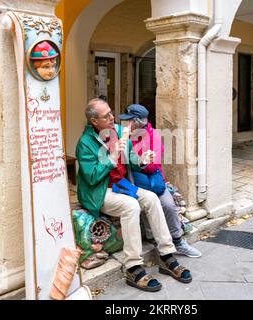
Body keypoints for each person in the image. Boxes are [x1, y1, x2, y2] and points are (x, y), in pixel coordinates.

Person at [76, 98, 192, 292]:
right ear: (94, 121)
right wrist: (111, 157)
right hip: (101, 190)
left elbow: (132, 160)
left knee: (152, 199)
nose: (113, 117)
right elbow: (92, 177)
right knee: (132, 206)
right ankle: (133, 266)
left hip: (122, 185)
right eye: (106, 116)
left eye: (111, 112)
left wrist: (143, 160)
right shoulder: (85, 143)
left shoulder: (120, 132)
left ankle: (166, 254)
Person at [118, 104, 202, 258]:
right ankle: (154, 239)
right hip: (131, 182)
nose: (126, 124)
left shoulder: (153, 136)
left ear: (137, 122)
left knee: (168, 205)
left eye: (129, 121)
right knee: (140, 203)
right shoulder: (123, 135)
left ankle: (178, 240)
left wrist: (138, 162)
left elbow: (153, 166)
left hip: (152, 182)